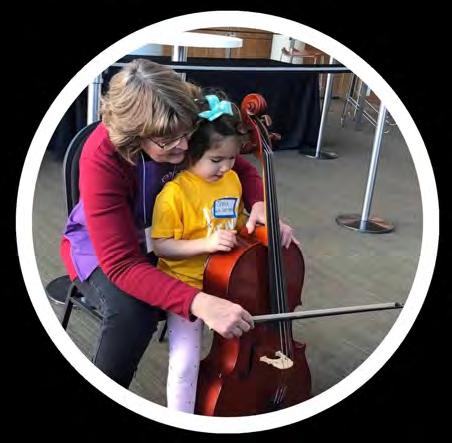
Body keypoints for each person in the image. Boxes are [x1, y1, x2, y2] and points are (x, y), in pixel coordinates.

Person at [59, 58, 296, 390]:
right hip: (104, 247)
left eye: (187, 134)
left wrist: (259, 202)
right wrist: (200, 302)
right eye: (168, 141)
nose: (184, 146)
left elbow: (239, 167)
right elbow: (122, 263)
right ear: (134, 135)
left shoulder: (181, 119)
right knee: (133, 314)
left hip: (174, 231)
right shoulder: (101, 156)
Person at [151, 93, 247, 412]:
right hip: (186, 286)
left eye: (231, 158)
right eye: (216, 160)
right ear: (192, 151)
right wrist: (205, 244)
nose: (226, 167)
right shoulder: (174, 194)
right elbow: (161, 245)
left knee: (244, 344)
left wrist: (266, 227)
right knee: (185, 362)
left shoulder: (232, 180)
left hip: (230, 281)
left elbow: (239, 222)